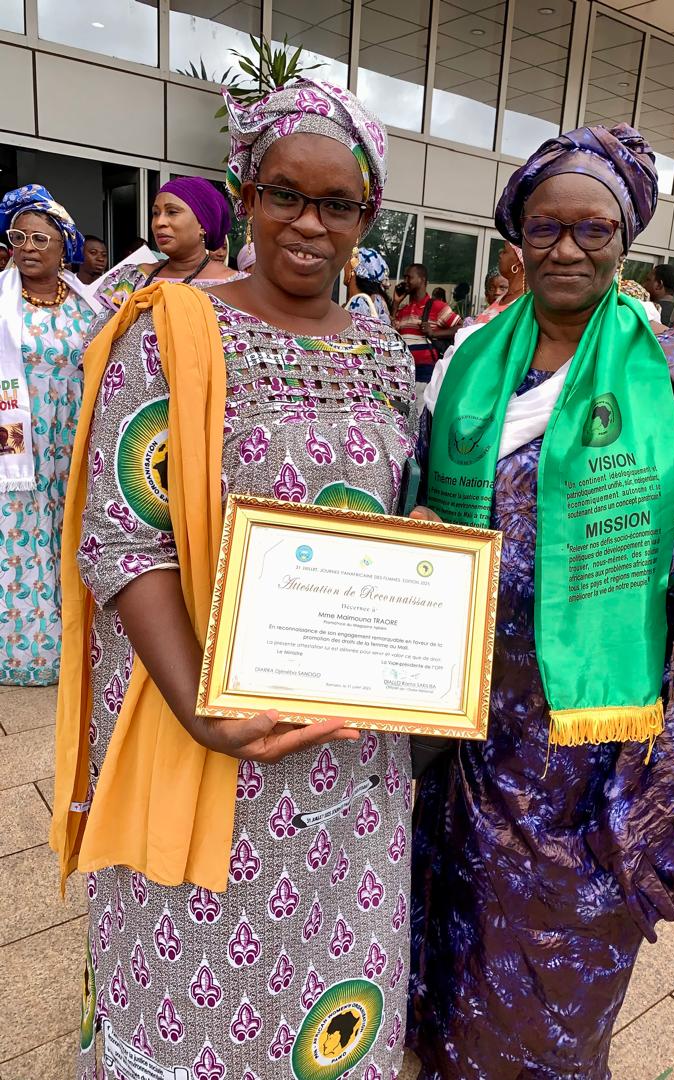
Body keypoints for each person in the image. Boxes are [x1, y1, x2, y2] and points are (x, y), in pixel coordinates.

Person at [407, 124, 674, 1078]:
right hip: (464, 722)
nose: (568, 249)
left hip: (594, 742)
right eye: (546, 227)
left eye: (593, 229)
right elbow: (415, 494)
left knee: (562, 949)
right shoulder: (469, 364)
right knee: (458, 922)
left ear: (624, 240)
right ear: (516, 238)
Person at [51, 78, 415, 1079]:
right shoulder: (167, 333)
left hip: (351, 754)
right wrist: (205, 708)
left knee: (332, 982)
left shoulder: (384, 347)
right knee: (189, 989)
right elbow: (123, 539)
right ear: (247, 194)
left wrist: (421, 539)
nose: (309, 223)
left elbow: (401, 508)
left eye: (337, 204)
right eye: (284, 194)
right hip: (201, 722)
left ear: (367, 216)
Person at [0, 184, 101, 686]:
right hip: (17, 442)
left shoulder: (88, 305)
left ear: (64, 246)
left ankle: (82, 644)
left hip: (72, 437)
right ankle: (27, 652)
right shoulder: (2, 302)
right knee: (22, 535)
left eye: (40, 239)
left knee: (71, 530)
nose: (28, 248)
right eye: (18, 237)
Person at [97, 176, 239, 311]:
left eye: (172, 212)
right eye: (155, 213)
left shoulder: (237, 286)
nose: (159, 222)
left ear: (202, 225)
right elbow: (107, 329)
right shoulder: (132, 279)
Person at [394, 263, 461, 385]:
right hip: (404, 375)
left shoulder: (437, 306)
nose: (405, 281)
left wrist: (434, 333)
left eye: (409, 277)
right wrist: (395, 303)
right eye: (405, 277)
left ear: (422, 280)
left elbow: (461, 328)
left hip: (426, 377)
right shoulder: (403, 310)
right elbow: (390, 332)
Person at [343, 244, 392, 324]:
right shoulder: (377, 300)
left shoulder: (358, 303)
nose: (344, 268)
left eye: (347, 263)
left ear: (353, 270)